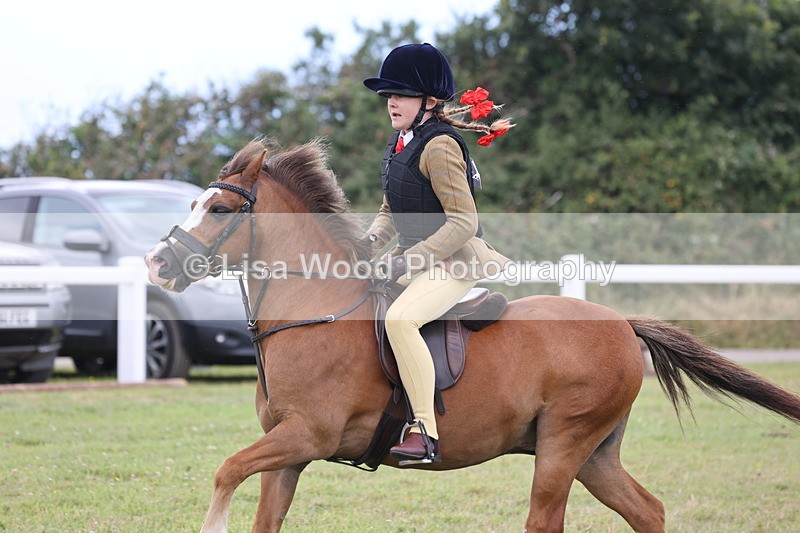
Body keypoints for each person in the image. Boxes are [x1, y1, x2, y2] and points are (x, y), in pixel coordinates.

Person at [362, 43, 513, 464]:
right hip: (418, 258)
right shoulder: (402, 140)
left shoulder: (440, 146)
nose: (391, 101)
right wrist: (370, 242)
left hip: (455, 262)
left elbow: (463, 222)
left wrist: (403, 262)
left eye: (401, 93)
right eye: (388, 94)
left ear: (429, 101)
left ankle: (426, 432)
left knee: (401, 319)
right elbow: (393, 206)